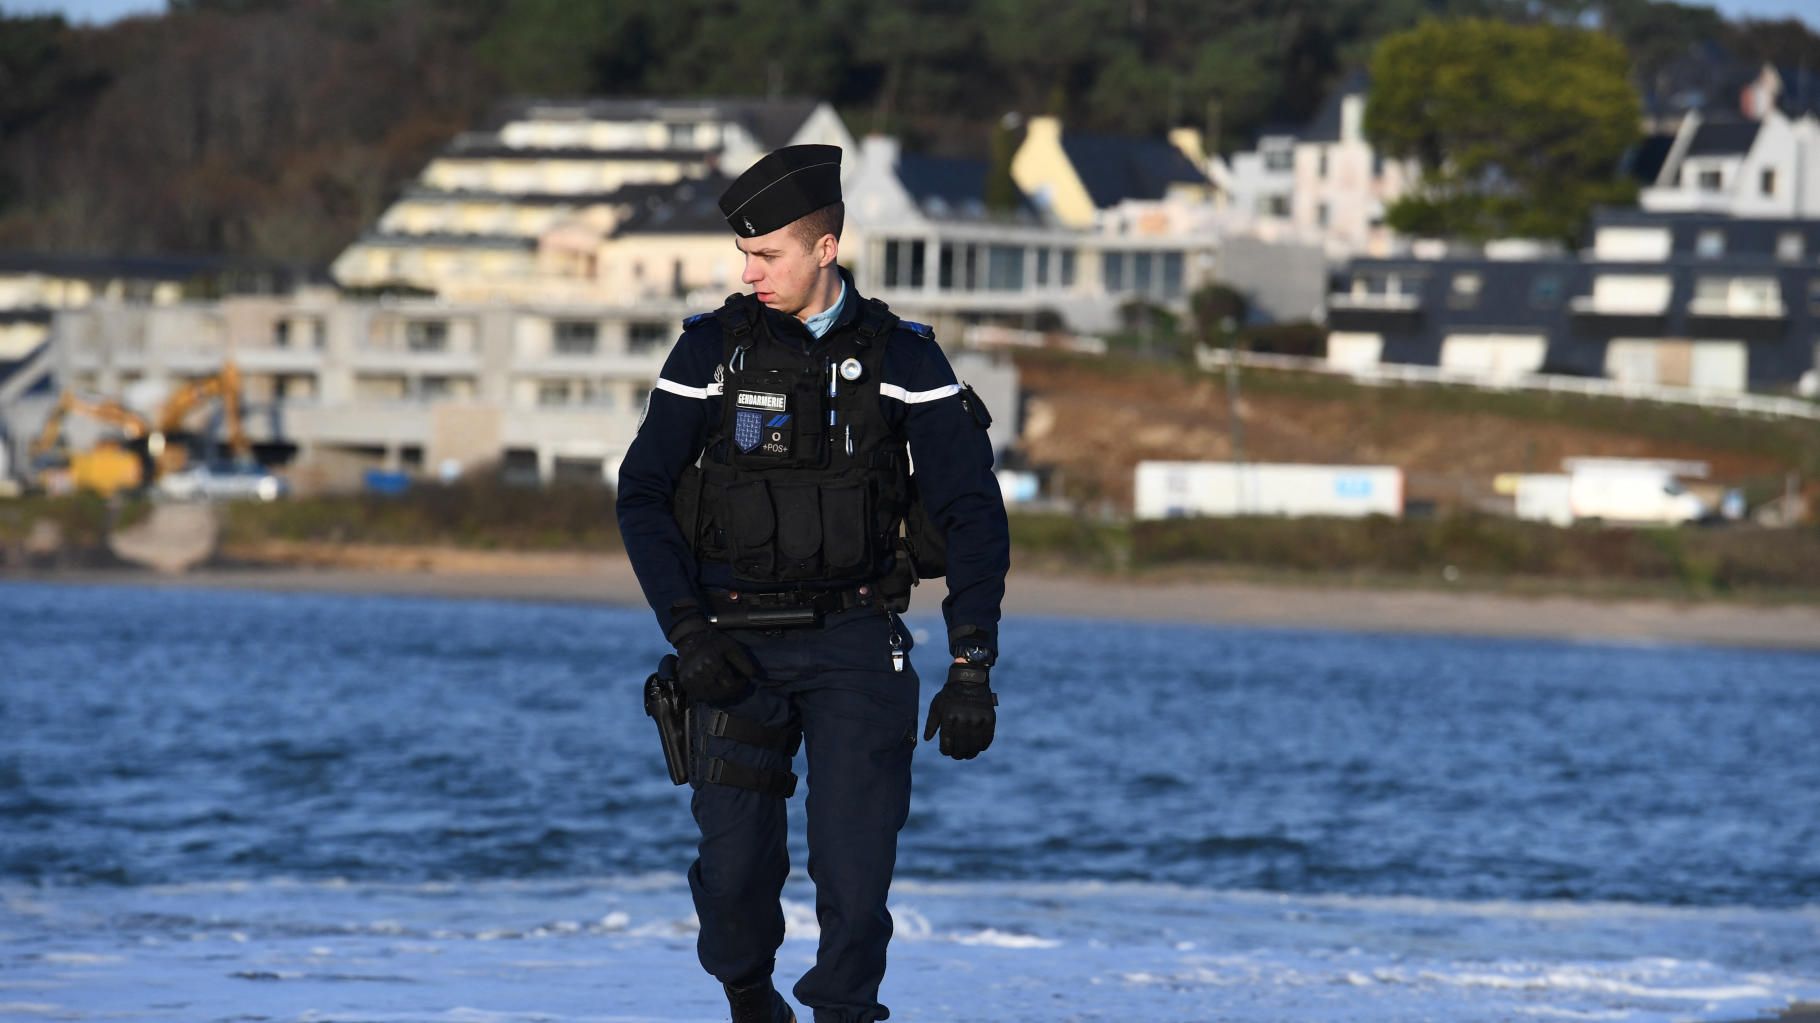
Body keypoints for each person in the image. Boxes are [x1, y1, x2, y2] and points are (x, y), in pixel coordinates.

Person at [614, 144, 1011, 1023]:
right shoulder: (711, 349)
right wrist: (690, 633)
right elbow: (640, 493)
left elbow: (974, 511)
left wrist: (973, 662)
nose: (748, 273)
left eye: (767, 256)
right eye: (743, 257)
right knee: (734, 874)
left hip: (858, 643)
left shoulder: (907, 359)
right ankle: (750, 996)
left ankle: (842, 1013)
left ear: (825, 249)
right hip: (729, 644)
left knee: (857, 877)